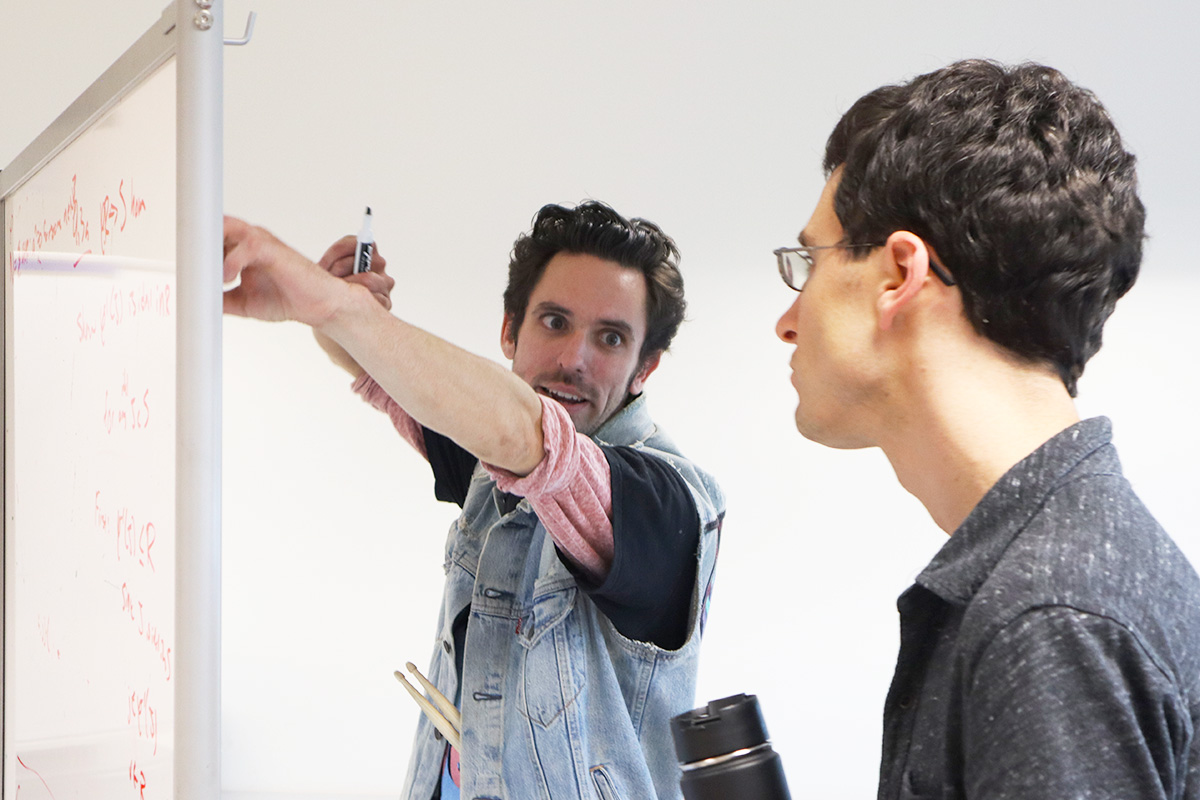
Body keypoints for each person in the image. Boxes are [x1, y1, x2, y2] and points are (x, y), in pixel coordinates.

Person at [773, 60, 1200, 798]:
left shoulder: (1047, 616)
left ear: (899, 273)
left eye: (810, 261)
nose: (787, 322)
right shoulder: (1069, 567)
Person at [222, 200, 724, 800]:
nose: (573, 360)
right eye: (555, 322)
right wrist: (340, 318)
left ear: (646, 367)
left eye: (610, 338)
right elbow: (399, 387)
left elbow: (535, 441)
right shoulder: (494, 464)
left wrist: (341, 308)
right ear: (510, 329)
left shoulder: (663, 503)